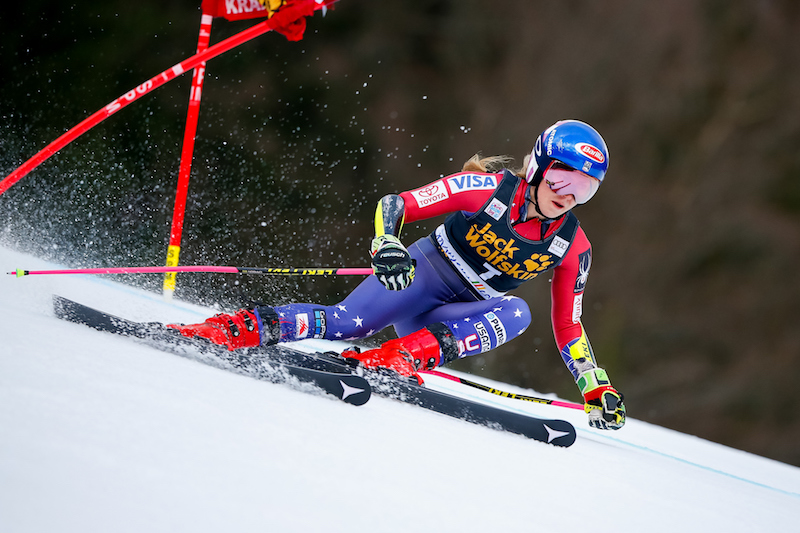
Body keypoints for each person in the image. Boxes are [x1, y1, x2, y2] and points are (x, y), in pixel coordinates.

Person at [169, 119, 627, 430]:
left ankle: (397, 358)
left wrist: (595, 384)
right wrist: (386, 241)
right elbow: (397, 204)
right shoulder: (486, 190)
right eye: (563, 179)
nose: (569, 195)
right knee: (345, 323)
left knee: (518, 311)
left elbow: (568, 325)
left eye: (585, 187)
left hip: (449, 317)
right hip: (423, 274)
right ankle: (237, 327)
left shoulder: (573, 247)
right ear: (539, 168)